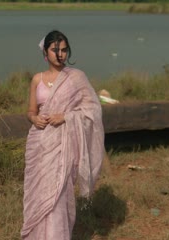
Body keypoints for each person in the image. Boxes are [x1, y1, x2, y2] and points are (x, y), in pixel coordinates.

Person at [21, 30, 105, 239]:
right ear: (45, 52)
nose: (60, 54)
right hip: (40, 144)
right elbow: (31, 111)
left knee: (59, 194)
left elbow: (93, 110)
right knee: (40, 194)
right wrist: (34, 119)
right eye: (55, 49)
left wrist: (66, 117)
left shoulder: (76, 78)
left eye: (64, 50)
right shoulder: (36, 79)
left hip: (64, 144)